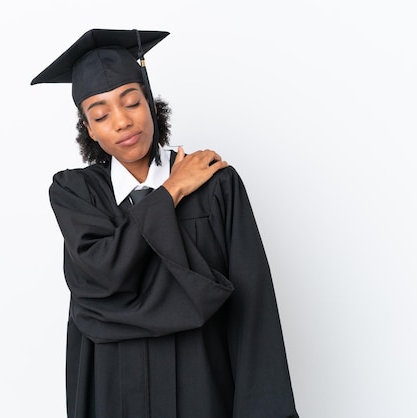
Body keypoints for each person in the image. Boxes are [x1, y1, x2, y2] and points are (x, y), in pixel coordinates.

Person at [31, 28, 299, 418]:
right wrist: (171, 189)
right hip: (113, 390)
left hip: (204, 387)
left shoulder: (216, 185)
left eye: (131, 103)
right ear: (88, 128)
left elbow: (253, 308)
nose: (122, 122)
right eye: (101, 115)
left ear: (151, 103)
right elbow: (104, 270)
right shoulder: (76, 193)